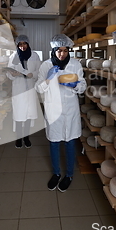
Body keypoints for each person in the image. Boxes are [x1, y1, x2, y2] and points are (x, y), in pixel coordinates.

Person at [35, 34, 86, 192]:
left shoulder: (75, 64)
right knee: (54, 142)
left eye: (65, 51)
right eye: (59, 50)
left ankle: (69, 174)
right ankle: (56, 173)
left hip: (70, 109)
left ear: (68, 51)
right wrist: (49, 79)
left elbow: (83, 86)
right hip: (53, 110)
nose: (62, 54)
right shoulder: (46, 65)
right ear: (53, 50)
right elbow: (38, 88)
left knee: (70, 142)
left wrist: (75, 85)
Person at [6, 35, 41, 148]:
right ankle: (18, 138)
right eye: (20, 44)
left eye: (24, 43)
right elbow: (8, 72)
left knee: (28, 115)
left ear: (28, 44)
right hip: (18, 89)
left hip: (30, 89)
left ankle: (26, 138)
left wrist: (33, 74)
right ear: (17, 45)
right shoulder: (13, 56)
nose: (22, 46)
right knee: (19, 114)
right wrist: (12, 74)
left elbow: (39, 71)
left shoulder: (34, 56)